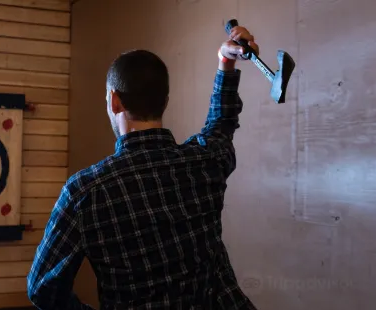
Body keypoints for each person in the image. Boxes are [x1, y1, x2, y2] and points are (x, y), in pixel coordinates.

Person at [27, 26, 259, 310]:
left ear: (114, 100)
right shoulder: (204, 162)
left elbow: (42, 289)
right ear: (165, 102)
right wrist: (226, 62)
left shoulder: (84, 192)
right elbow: (221, 125)